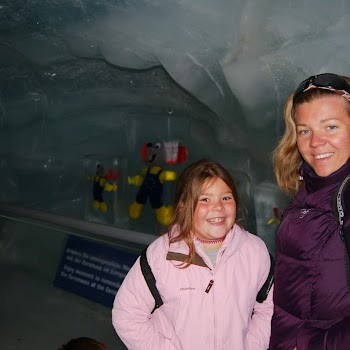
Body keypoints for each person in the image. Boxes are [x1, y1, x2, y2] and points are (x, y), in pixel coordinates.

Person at [112, 158, 273, 349]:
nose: (218, 207)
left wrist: (252, 346)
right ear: (183, 205)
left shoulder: (254, 251)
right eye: (205, 199)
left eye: (226, 198)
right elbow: (127, 316)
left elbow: (269, 309)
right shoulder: (160, 256)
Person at [269, 73, 350, 350]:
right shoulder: (310, 188)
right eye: (305, 130)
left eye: (330, 127)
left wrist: (308, 345)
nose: (315, 142)